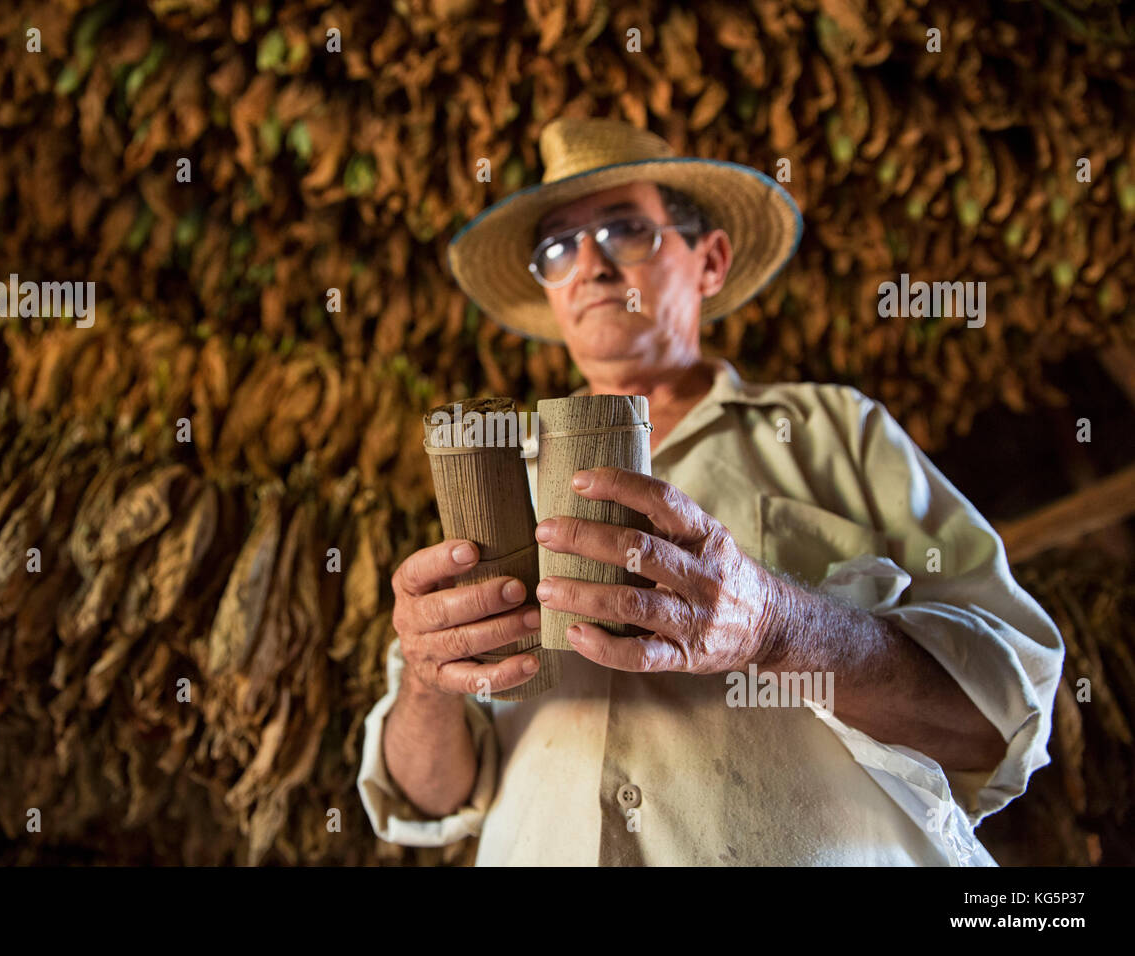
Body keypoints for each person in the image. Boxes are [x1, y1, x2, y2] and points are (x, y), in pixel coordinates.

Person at [356, 116, 1065, 865]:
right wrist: (428, 683)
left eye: (626, 230)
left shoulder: (837, 430)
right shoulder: (499, 477)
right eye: (557, 248)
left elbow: (1003, 720)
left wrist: (776, 627)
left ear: (712, 259)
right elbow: (430, 800)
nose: (590, 265)